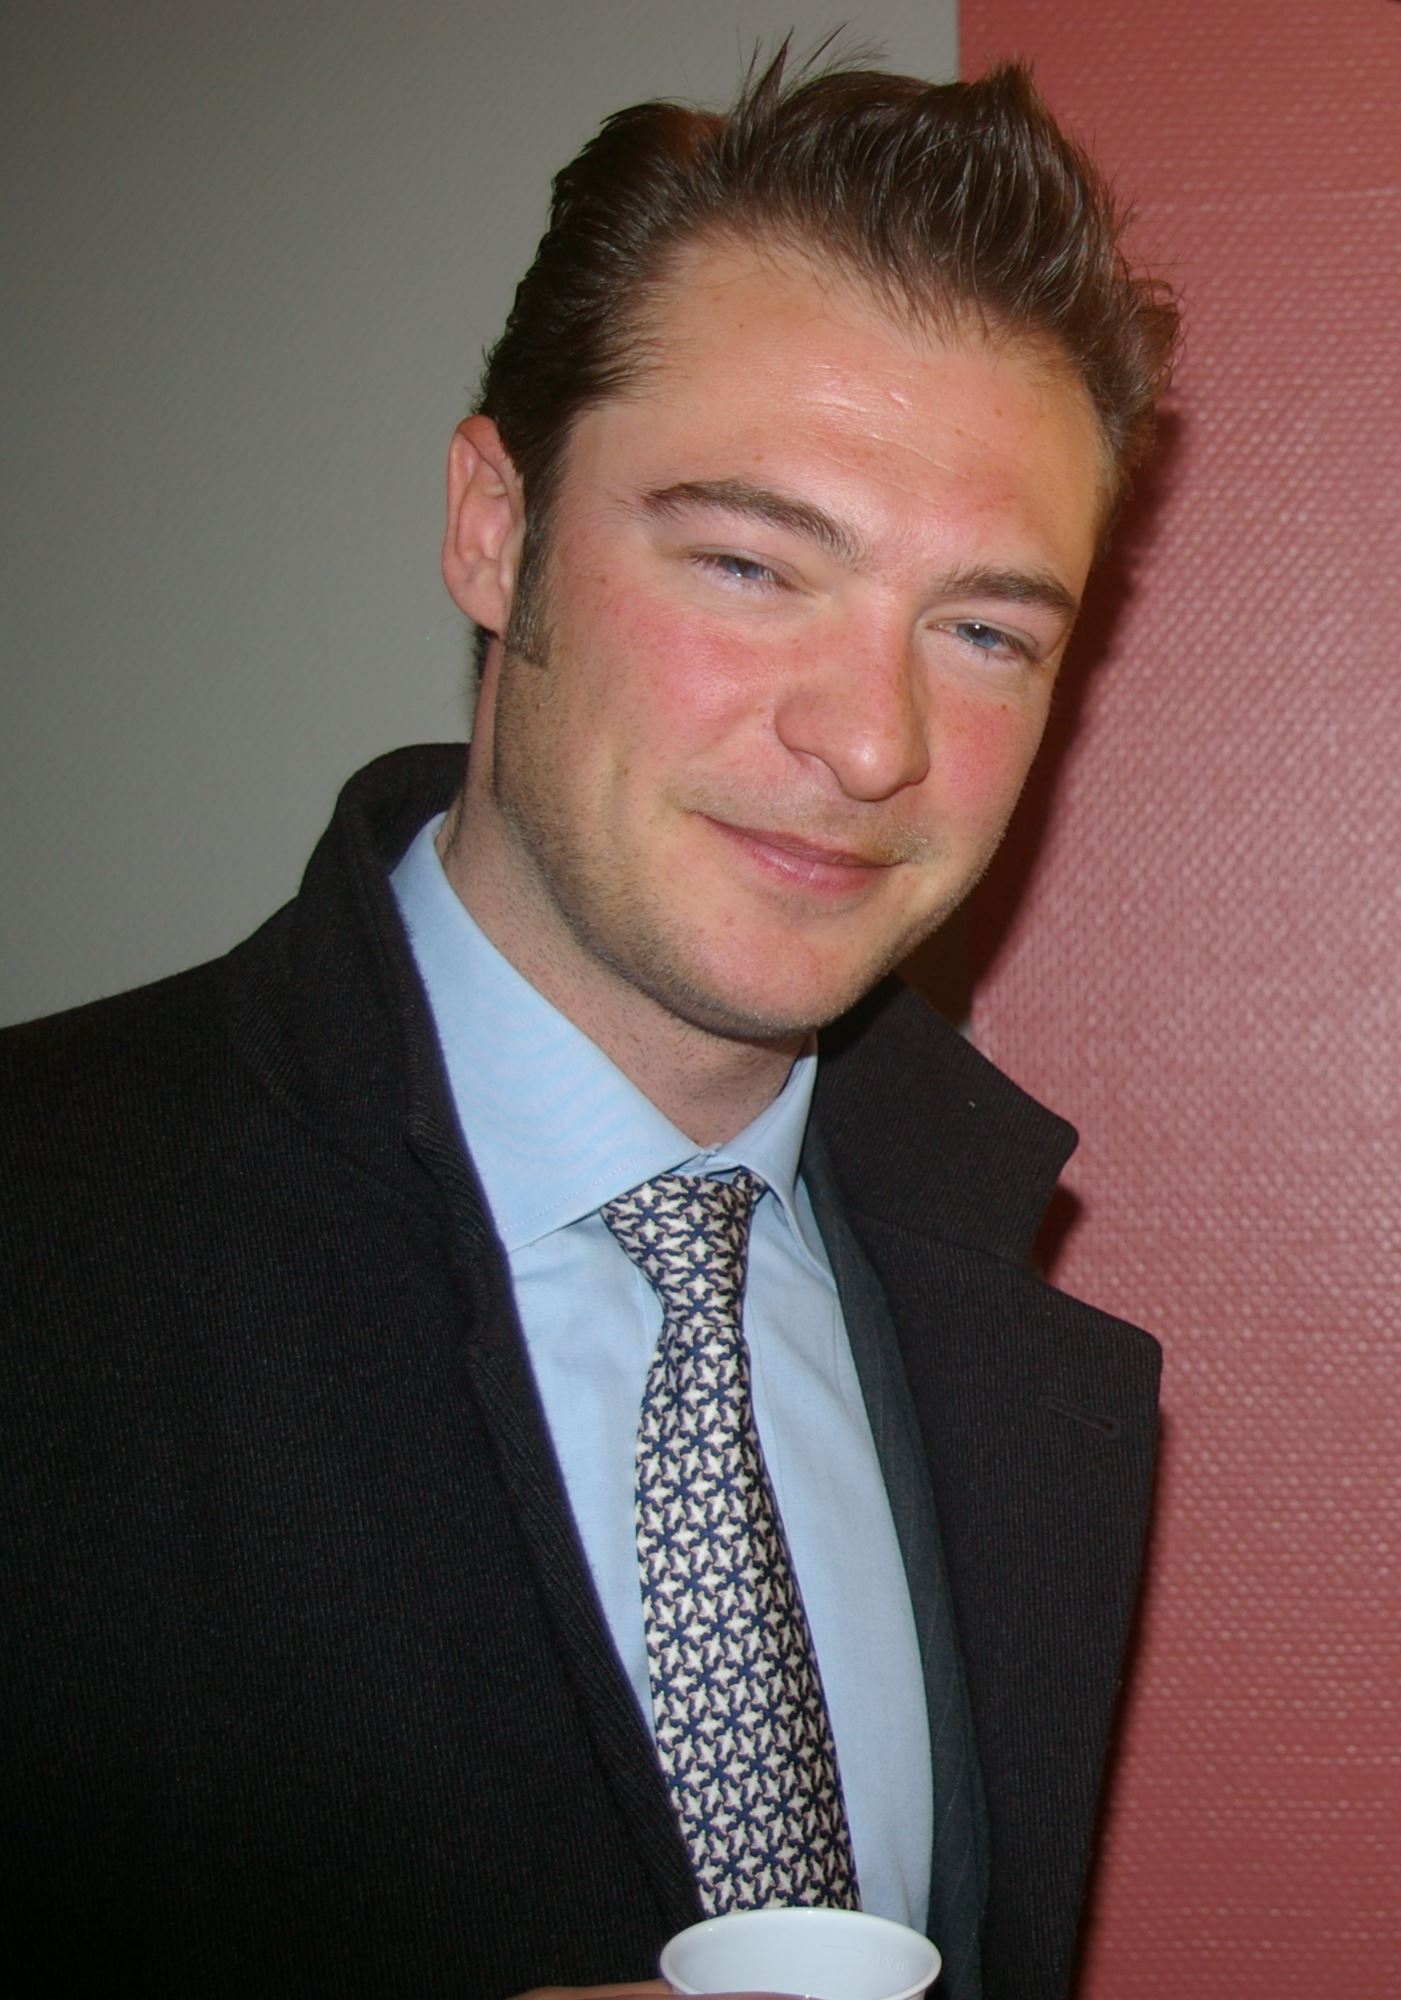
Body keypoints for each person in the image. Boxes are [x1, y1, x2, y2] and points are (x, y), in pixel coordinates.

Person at [0, 51, 1177, 1999]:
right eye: (749, 563)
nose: (870, 740)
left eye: (981, 630)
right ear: (495, 525)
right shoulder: (48, 1250)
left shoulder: (1019, 1354)